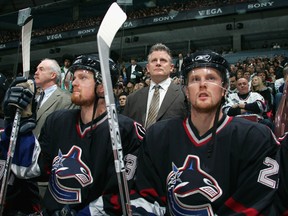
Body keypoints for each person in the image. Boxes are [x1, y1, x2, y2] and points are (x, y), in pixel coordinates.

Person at [130, 50, 280, 215]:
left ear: (224, 89)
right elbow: (146, 197)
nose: (203, 84)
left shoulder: (255, 137)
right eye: (195, 79)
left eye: (211, 78)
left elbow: (255, 202)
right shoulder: (157, 136)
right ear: (186, 91)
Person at [0, 54, 144, 215]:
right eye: (74, 77)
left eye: (83, 77)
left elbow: (123, 193)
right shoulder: (57, 121)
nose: (74, 83)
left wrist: (83, 214)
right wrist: (17, 128)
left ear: (103, 86)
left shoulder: (128, 130)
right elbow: (32, 170)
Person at [123, 43, 187, 129]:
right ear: (148, 68)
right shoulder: (132, 98)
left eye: (163, 60)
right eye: (154, 60)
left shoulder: (184, 95)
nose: (158, 63)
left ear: (171, 67)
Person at [33, 58, 77, 139]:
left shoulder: (67, 99)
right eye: (36, 69)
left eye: (41, 69)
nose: (36, 72)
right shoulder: (33, 98)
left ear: (52, 75)